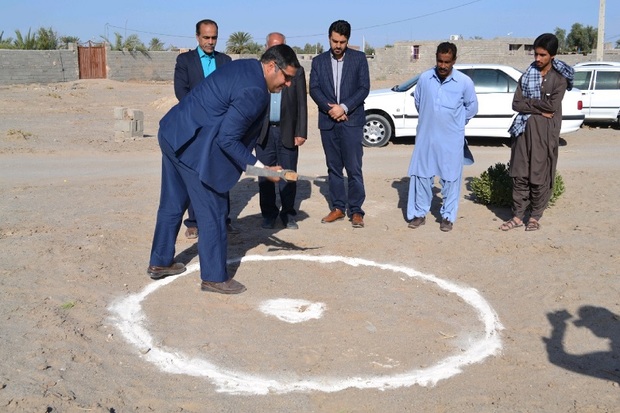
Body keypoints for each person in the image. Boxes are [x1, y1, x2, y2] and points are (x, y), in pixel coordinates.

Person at [147, 45, 300, 294]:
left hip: (175, 131)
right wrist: (263, 170)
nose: (289, 84)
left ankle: (160, 262)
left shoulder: (248, 66)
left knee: (173, 203)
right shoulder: (256, 91)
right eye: (287, 77)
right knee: (214, 211)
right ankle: (214, 277)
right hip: (191, 146)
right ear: (272, 66)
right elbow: (228, 139)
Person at [500, 33, 573, 232]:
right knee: (519, 174)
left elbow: (552, 106)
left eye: (542, 55)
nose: (537, 59)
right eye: (536, 54)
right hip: (523, 132)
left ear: (552, 55)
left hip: (545, 134)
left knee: (539, 175)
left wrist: (530, 105)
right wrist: (540, 108)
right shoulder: (527, 76)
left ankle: (534, 216)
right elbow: (516, 104)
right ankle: (517, 216)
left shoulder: (559, 80)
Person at [173, 19, 236, 239]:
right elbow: (182, 92)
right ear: (197, 37)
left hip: (220, 128)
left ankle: (222, 219)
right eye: (206, 37)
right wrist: (203, 115)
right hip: (196, 127)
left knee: (221, 171)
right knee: (195, 174)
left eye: (214, 37)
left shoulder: (225, 61)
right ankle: (194, 221)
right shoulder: (185, 61)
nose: (210, 41)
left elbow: (231, 92)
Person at [406, 42, 478, 232]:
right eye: (440, 61)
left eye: (447, 62)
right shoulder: (424, 78)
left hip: (451, 140)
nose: (443, 66)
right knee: (421, 175)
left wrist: (455, 123)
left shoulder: (464, 82)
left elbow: (472, 107)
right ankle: (419, 213)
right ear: (436, 58)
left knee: (451, 178)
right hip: (426, 137)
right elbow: (419, 102)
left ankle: (447, 216)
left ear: (454, 60)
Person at [309, 20, 370, 228]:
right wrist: (331, 109)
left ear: (348, 40)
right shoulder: (318, 62)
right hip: (328, 122)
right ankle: (337, 207)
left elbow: (364, 88)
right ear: (329, 38)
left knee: (354, 168)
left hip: (351, 121)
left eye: (342, 42)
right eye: (335, 41)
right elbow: (314, 89)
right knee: (334, 167)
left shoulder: (359, 59)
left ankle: (356, 210)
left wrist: (343, 107)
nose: (338, 45)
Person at [256, 32, 308, 230]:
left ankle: (288, 213)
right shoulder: (261, 70)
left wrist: (301, 131)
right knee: (265, 175)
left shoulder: (296, 71)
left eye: (280, 46)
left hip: (288, 131)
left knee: (288, 174)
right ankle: (268, 214)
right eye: (273, 47)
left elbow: (302, 102)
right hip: (264, 131)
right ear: (267, 47)